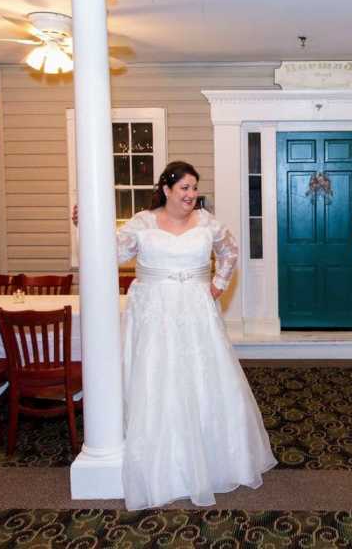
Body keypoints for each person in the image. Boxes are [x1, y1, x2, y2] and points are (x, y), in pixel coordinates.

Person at [78, 161, 276, 509]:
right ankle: (164, 463)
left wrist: (218, 284)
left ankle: (212, 457)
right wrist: (89, 225)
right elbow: (114, 252)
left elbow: (229, 251)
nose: (191, 194)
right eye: (185, 187)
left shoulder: (207, 222)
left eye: (194, 188)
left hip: (196, 310)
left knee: (202, 378)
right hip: (154, 310)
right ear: (167, 189)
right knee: (158, 379)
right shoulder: (143, 222)